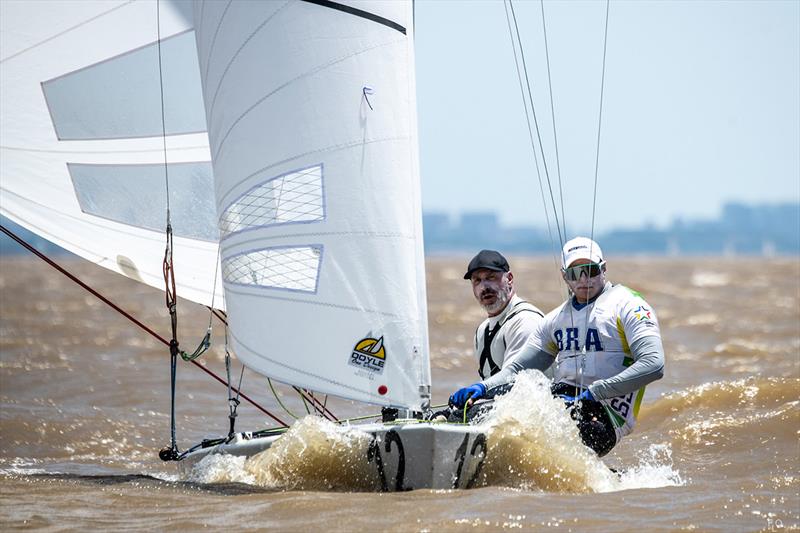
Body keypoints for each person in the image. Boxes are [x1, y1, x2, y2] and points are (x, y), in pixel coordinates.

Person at [449, 237, 665, 457]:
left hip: (604, 415)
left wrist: (595, 393)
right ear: (564, 276)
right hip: (564, 401)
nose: (583, 280)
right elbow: (517, 370)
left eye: (589, 270)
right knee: (475, 412)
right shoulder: (555, 320)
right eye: (574, 273)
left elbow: (653, 364)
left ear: (603, 268)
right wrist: (482, 388)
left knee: (568, 430)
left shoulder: (629, 305)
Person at [460, 249, 544, 385]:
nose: (484, 287)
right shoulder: (482, 330)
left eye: (490, 277)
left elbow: (516, 382)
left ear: (509, 279)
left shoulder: (525, 321)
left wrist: (481, 389)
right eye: (477, 280)